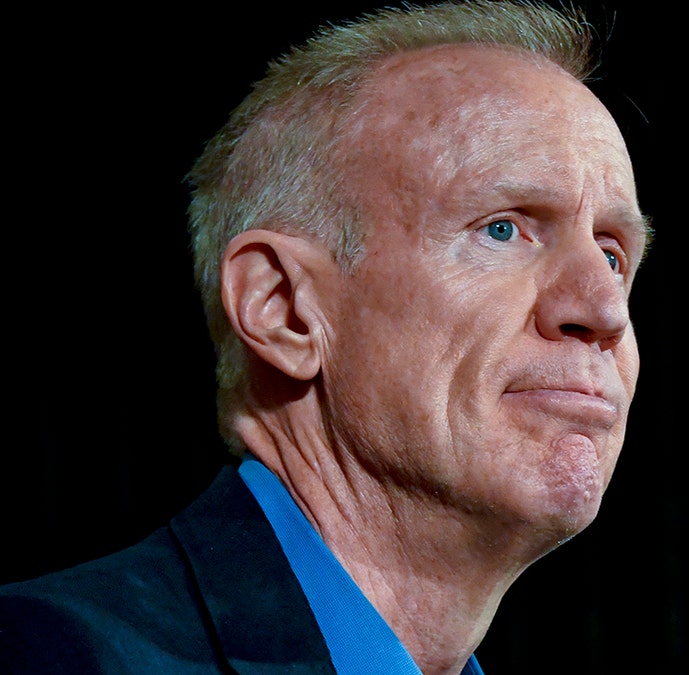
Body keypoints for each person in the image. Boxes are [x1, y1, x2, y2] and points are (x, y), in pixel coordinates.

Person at [0, 0, 651, 672]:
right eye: (502, 228)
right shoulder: (47, 651)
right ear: (282, 307)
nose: (604, 309)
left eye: (612, 253)